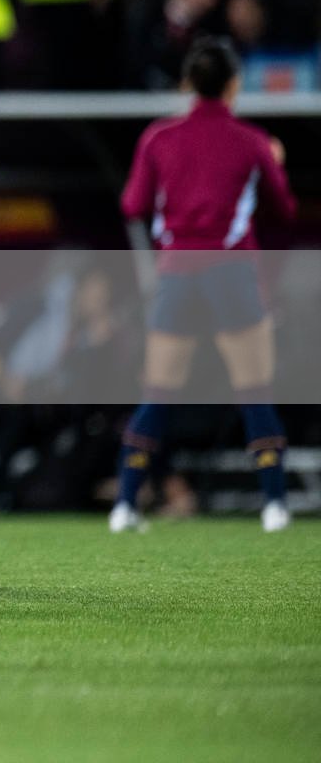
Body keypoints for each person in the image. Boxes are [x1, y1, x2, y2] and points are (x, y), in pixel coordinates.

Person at [114, 37, 296, 535]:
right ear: (234, 85)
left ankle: (125, 505)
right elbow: (285, 209)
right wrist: (274, 162)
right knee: (255, 390)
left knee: (158, 392)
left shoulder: (158, 138)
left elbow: (133, 205)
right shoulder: (253, 141)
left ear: (188, 84)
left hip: (177, 273)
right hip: (232, 273)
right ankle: (275, 506)